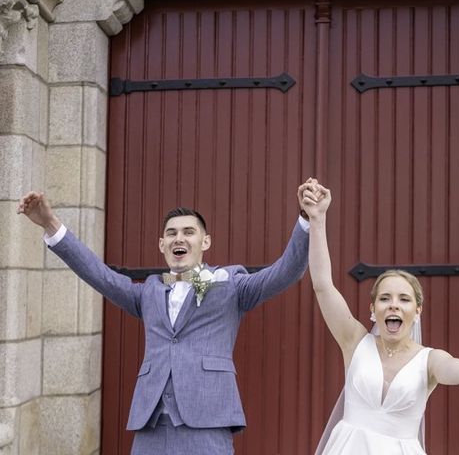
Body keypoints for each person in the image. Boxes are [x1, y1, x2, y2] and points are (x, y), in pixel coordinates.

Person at [17, 179, 317, 455]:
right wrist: (51, 225)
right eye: (171, 233)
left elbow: (284, 273)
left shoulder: (230, 284)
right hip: (151, 424)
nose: (179, 238)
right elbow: (101, 276)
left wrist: (305, 220)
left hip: (208, 420)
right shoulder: (148, 292)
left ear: (205, 242)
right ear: (162, 245)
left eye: (189, 232)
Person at [301, 183, 459, 455]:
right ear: (373, 310)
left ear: (418, 311)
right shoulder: (354, 341)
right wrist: (317, 219)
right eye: (385, 299)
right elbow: (323, 285)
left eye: (404, 299)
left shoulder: (430, 361)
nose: (393, 305)